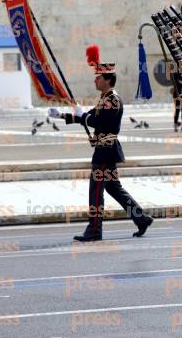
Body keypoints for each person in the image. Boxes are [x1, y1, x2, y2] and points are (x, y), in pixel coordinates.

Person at [48, 45, 153, 241]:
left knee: (96, 190)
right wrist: (62, 115)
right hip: (106, 150)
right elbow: (88, 118)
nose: (95, 80)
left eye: (98, 77)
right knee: (113, 187)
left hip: (105, 151)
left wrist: (83, 115)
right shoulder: (104, 99)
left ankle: (94, 230)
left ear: (108, 80)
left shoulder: (112, 101)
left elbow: (96, 122)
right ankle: (141, 218)